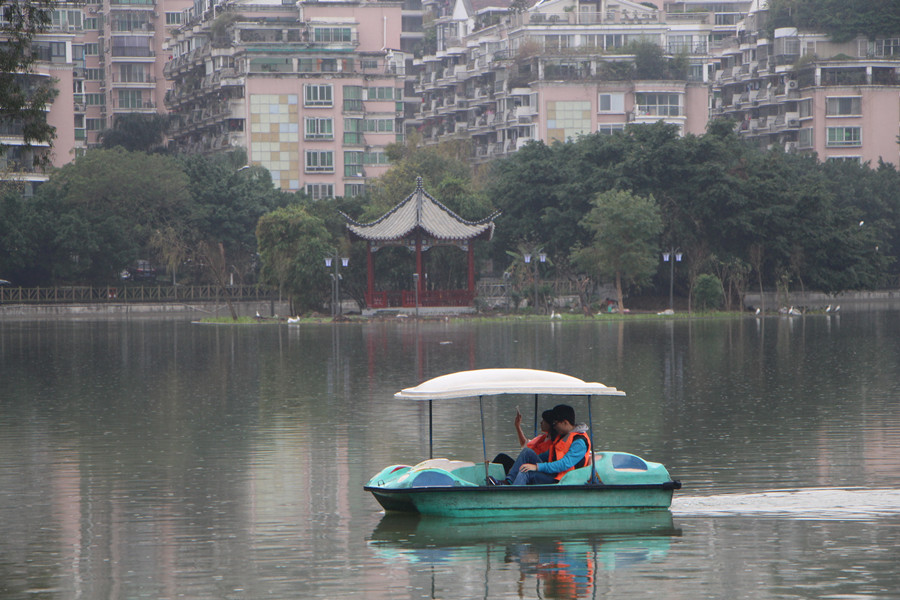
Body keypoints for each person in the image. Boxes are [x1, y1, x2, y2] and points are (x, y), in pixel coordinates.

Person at [504, 404, 592, 486]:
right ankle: (508, 482)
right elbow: (547, 455)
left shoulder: (579, 442)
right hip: (553, 473)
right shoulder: (563, 436)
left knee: (526, 472)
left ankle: (512, 498)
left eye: (555, 424)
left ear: (565, 422)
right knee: (527, 452)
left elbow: (564, 464)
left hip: (562, 479)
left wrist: (537, 467)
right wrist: (519, 464)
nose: (553, 427)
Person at [492, 408, 556, 476]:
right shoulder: (542, 437)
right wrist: (517, 426)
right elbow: (525, 444)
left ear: (549, 424)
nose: (541, 422)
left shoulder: (553, 442)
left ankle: (509, 479)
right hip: (525, 463)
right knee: (501, 458)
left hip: (534, 467)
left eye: (544, 421)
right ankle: (489, 479)